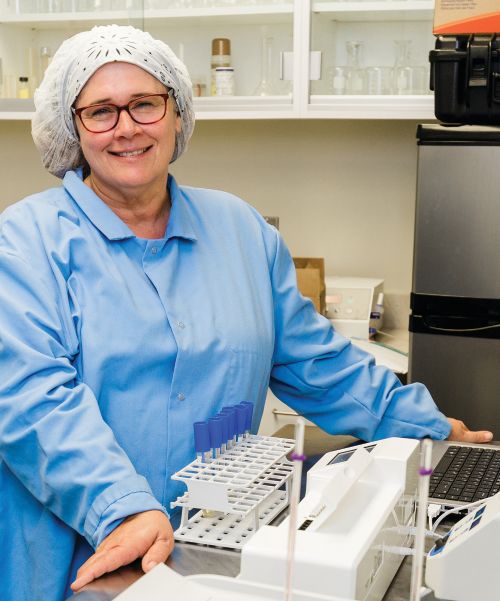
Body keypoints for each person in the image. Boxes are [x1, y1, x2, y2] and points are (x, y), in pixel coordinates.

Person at [0, 24, 492, 601]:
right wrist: (123, 510)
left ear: (177, 113)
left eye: (144, 104)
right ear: (73, 130)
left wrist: (426, 427)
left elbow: (315, 359)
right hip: (87, 549)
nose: (127, 127)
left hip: (221, 537)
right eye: (101, 111)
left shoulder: (239, 229)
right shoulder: (26, 243)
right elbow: (33, 398)